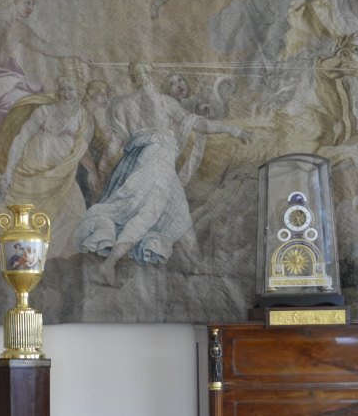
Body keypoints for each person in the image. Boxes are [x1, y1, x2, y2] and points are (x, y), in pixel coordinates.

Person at [75, 62, 249, 284]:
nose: (142, 76)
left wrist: (234, 130)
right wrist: (100, 169)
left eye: (144, 72)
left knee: (180, 212)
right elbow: (116, 143)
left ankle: (196, 263)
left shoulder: (140, 104)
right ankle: (109, 265)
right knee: (148, 213)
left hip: (151, 166)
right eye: (139, 73)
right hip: (153, 165)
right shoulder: (153, 103)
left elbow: (199, 124)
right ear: (136, 77)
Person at [0, 76, 94, 257]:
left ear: (79, 92)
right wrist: (9, 170)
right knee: (29, 216)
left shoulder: (82, 116)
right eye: (63, 89)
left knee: (75, 211)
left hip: (62, 173)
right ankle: (25, 259)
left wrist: (91, 171)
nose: (66, 94)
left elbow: (81, 147)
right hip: (33, 169)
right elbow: (22, 137)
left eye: (70, 89)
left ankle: (50, 257)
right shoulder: (44, 111)